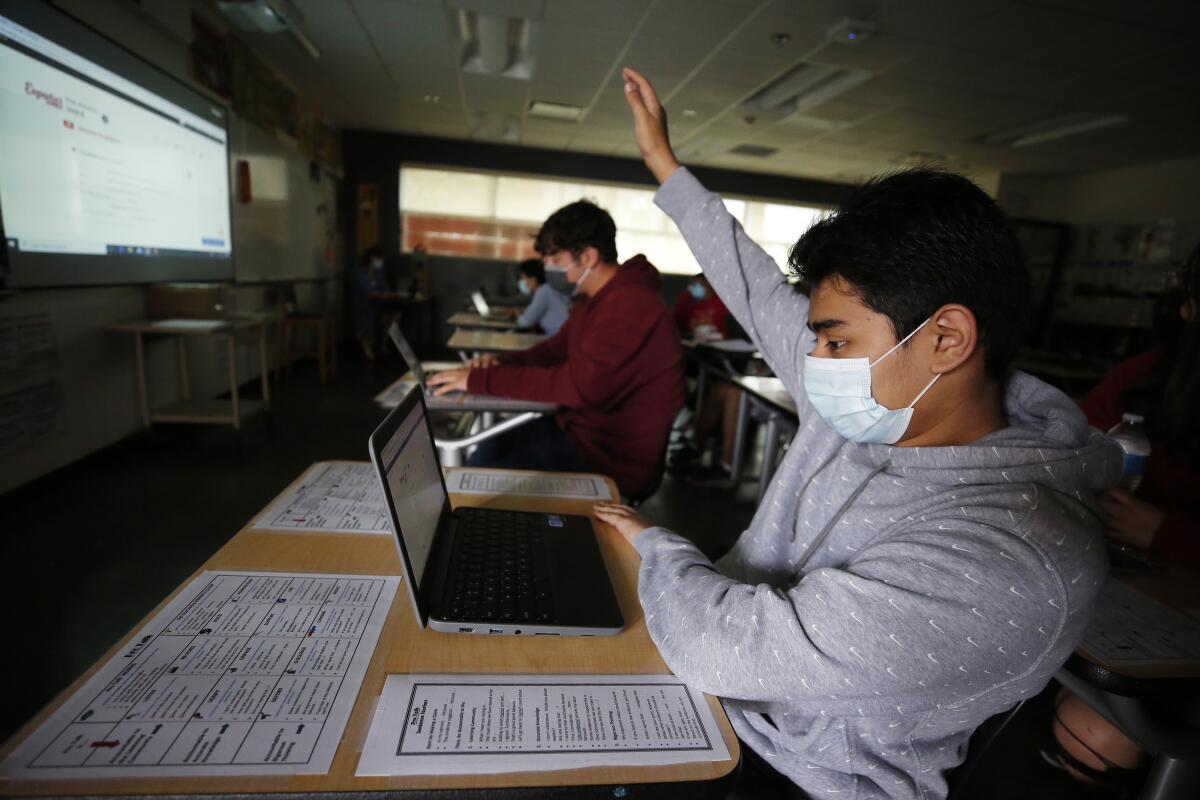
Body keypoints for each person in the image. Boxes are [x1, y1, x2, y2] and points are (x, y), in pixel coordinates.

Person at [593, 67, 1122, 800]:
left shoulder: (1013, 553)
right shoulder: (891, 397)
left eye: (835, 343)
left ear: (946, 340)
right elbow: (751, 284)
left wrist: (657, 543)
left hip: (799, 777)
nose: (813, 364)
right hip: (715, 700)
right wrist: (666, 168)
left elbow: (724, 647)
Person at [1040, 243, 1200, 790]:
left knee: (1102, 730)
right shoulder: (1146, 379)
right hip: (1132, 600)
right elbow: (1063, 461)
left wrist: (1167, 533)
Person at [428, 199, 686, 500]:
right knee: (487, 453)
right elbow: (553, 351)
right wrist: (496, 363)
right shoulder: (593, 300)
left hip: (610, 456)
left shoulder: (630, 304)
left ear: (588, 256)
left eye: (554, 259)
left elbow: (575, 385)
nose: (548, 267)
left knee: (484, 478)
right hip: (580, 432)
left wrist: (476, 381)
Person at [347, 245, 390, 361]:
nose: (380, 262)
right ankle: (367, 348)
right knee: (366, 322)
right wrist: (381, 294)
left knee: (393, 316)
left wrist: (386, 294)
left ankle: (383, 344)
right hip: (363, 306)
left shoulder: (379, 272)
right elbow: (367, 292)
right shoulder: (358, 272)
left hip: (378, 305)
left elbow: (385, 287)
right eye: (378, 259)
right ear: (371, 258)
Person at [510, 258, 570, 335]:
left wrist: (517, 314)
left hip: (555, 337)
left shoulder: (544, 291)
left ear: (533, 278)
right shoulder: (550, 288)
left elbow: (525, 322)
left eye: (523, 278)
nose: (522, 282)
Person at [674, 274, 729, 340]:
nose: (691, 288)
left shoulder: (721, 302)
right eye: (691, 285)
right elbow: (676, 325)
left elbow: (727, 330)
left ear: (707, 285)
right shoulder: (685, 299)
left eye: (695, 285)